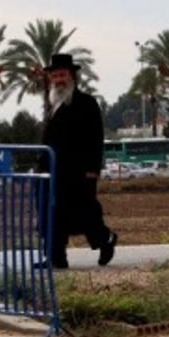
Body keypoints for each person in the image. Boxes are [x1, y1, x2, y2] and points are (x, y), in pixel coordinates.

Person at [39, 53, 117, 269]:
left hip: (79, 172)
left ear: (72, 76)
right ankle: (56, 258)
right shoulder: (53, 104)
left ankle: (106, 240)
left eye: (62, 74)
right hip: (54, 171)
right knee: (53, 213)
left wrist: (93, 168)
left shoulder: (86, 103)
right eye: (54, 76)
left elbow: (96, 137)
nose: (58, 79)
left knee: (85, 214)